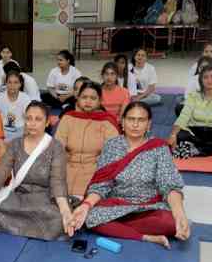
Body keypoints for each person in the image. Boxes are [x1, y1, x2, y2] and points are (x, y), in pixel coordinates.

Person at [69, 102, 190, 249]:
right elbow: (102, 184)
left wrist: (180, 215)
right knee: (89, 215)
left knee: (169, 222)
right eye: (131, 119)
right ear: (123, 122)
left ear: (149, 124)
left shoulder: (159, 147)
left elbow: (169, 184)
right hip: (117, 205)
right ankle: (146, 237)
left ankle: (119, 228)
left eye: (141, 120)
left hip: (148, 207)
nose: (135, 124)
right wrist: (86, 205)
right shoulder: (112, 145)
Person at [0, 101, 73, 241]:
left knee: (56, 217)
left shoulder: (55, 147)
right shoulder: (15, 144)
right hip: (19, 196)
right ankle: (32, 228)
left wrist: (65, 211)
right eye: (29, 118)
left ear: (47, 122)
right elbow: (0, 173)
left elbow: (58, 181)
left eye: (38, 119)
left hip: (45, 198)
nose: (32, 123)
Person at [55, 82, 120, 198]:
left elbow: (113, 154)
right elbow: (57, 147)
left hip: (95, 171)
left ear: (100, 101)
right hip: (67, 168)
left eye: (93, 98)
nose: (88, 101)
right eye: (84, 97)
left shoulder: (107, 122)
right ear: (78, 98)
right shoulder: (68, 118)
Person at [169, 64, 212, 158]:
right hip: (195, 132)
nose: (209, 80)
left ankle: (195, 150)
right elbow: (184, 115)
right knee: (180, 135)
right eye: (205, 77)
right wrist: (173, 134)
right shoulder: (193, 96)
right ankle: (203, 150)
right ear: (201, 80)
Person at [0, 71, 31, 141]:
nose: (12, 85)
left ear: (20, 84)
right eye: (9, 82)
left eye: (16, 82)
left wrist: (25, 135)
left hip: (20, 130)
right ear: (6, 84)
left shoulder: (25, 97)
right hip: (2, 130)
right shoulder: (0, 96)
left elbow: (29, 117)